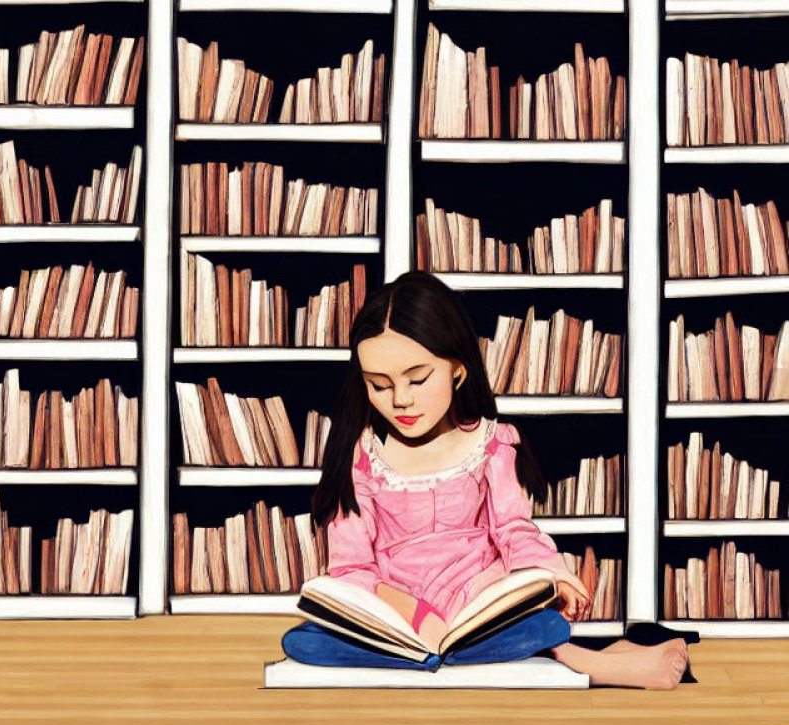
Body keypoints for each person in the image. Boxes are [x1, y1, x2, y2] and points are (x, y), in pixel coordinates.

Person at [293, 270, 690, 689]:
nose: (401, 399)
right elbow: (351, 567)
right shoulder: (361, 457)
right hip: (396, 611)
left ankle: (574, 658)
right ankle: (525, 654)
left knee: (538, 625)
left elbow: (514, 529)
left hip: (477, 601)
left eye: (418, 378)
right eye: (379, 385)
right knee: (305, 641)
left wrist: (551, 573)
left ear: (458, 370)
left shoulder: (491, 444)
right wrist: (413, 614)